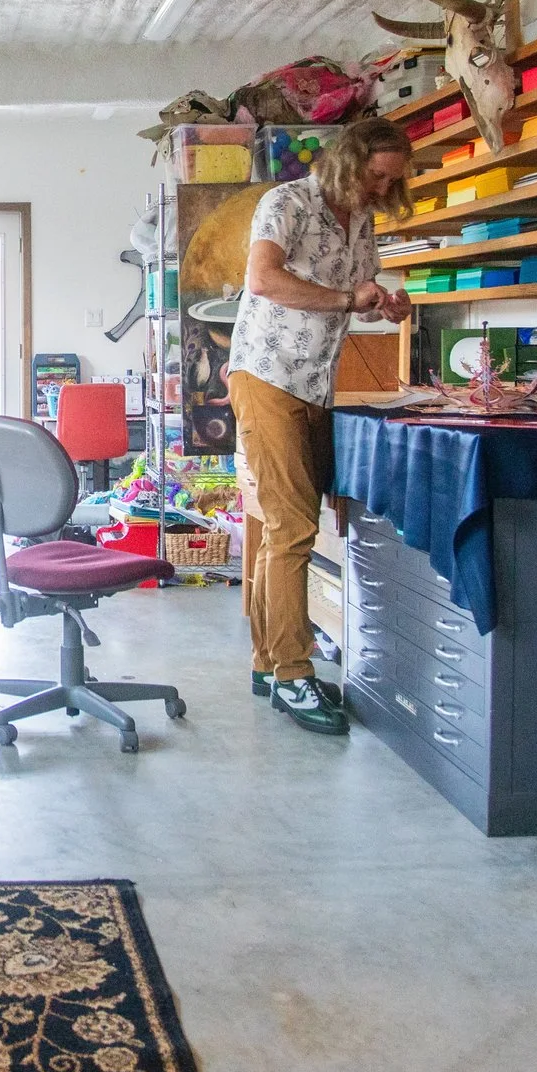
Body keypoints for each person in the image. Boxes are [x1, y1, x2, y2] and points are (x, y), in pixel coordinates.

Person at [227, 114, 415, 734]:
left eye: (392, 180)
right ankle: (293, 674)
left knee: (277, 527)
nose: (382, 188)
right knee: (293, 526)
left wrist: (385, 303)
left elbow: (358, 292)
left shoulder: (361, 221)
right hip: (267, 375)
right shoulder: (288, 202)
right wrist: (344, 300)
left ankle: (267, 661)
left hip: (314, 382)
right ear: (348, 160)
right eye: (376, 174)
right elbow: (263, 278)